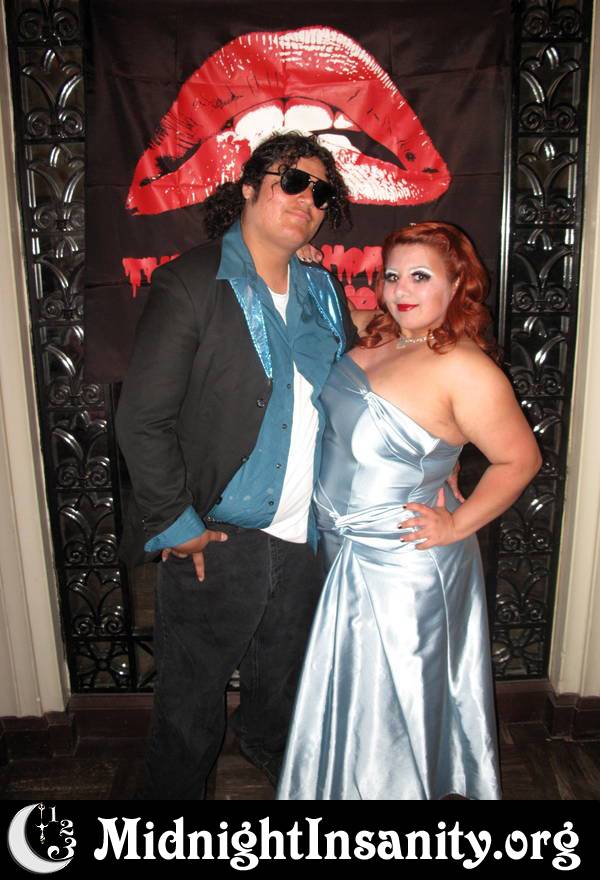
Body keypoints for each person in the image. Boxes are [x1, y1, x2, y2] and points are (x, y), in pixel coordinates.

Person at [116, 132, 356, 799]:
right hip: (218, 535)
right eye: (291, 181)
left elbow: (348, 388)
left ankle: (271, 752)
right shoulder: (192, 282)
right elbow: (141, 419)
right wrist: (177, 523)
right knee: (191, 704)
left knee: (281, 679)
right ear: (249, 188)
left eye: (321, 192)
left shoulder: (321, 289)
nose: (307, 199)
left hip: (304, 531)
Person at [277, 221, 542, 800]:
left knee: (392, 713)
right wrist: (306, 265)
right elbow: (331, 321)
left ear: (456, 284)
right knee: (350, 696)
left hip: (405, 566)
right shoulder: (378, 337)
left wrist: (457, 523)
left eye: (421, 276)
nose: (401, 289)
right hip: (340, 550)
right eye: (392, 275)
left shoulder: (466, 368)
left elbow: (520, 460)